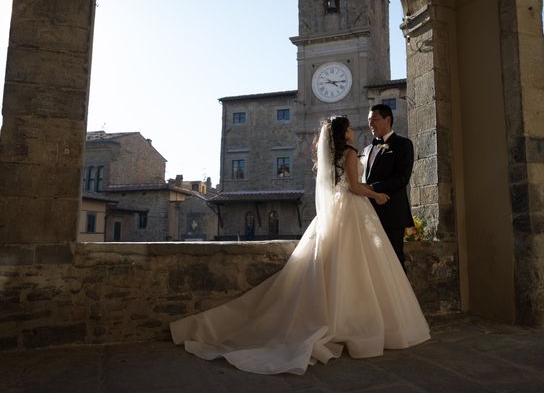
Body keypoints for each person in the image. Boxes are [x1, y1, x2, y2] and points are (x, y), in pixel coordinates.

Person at [170, 116, 430, 375]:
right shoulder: (351, 153)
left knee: (336, 262)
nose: (354, 131)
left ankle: (337, 315)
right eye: (350, 128)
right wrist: (376, 194)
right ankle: (351, 320)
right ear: (343, 134)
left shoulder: (336, 155)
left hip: (338, 212)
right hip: (353, 209)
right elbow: (354, 186)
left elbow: (340, 185)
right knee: (356, 265)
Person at [362, 104, 415, 269]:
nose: (371, 124)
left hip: (392, 214)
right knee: (373, 264)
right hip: (368, 216)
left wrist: (372, 188)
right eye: (369, 120)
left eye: (375, 119)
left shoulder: (403, 144)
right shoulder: (367, 149)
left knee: (395, 262)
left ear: (388, 119)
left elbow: (402, 178)